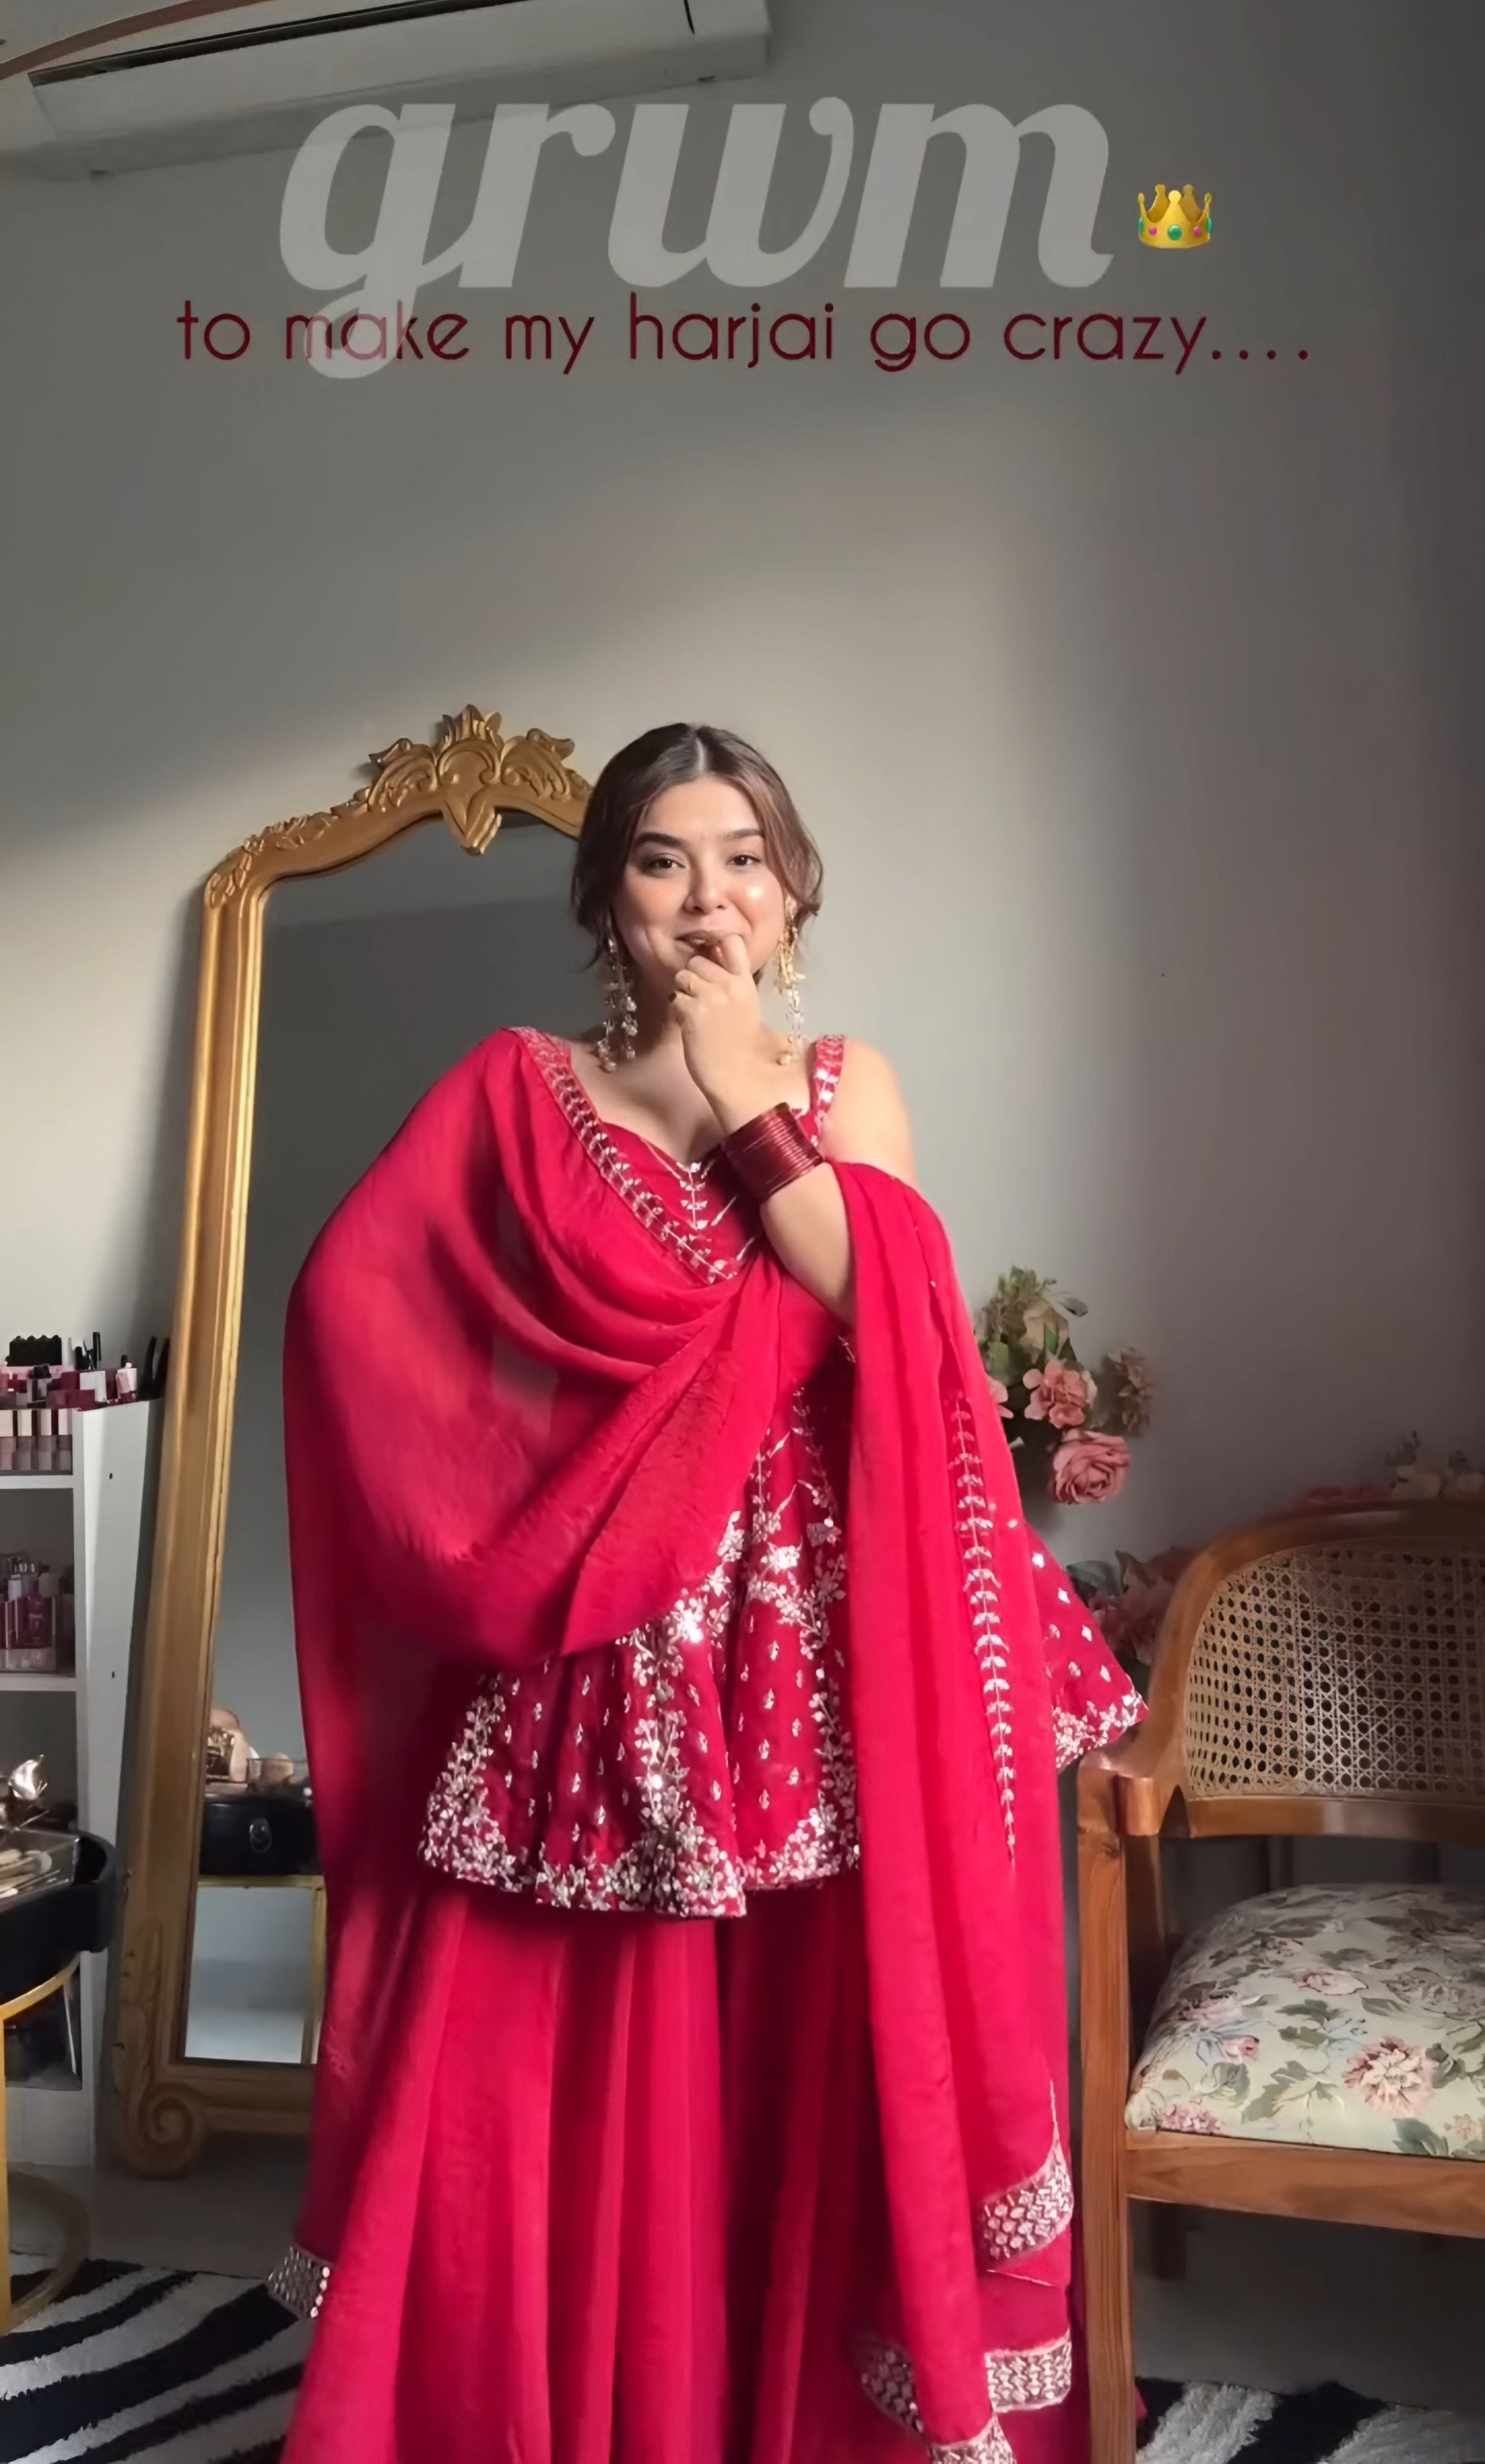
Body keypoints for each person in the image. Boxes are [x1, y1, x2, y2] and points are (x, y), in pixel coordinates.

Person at [272, 722, 1143, 2464]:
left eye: (742, 857)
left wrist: (744, 1090)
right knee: (583, 2046)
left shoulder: (841, 1084)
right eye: (663, 860)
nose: (706, 896)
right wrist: (512, 1511)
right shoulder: (521, 1091)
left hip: (813, 1649)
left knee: (814, 2037)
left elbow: (876, 1299)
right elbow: (351, 1306)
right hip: (604, 1639)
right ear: (606, 897)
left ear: (792, 887)